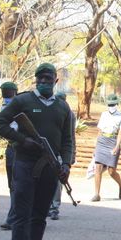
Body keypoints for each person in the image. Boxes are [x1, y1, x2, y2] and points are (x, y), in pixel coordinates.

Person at [0, 63, 73, 240]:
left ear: (56, 81)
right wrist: (22, 140)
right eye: (41, 79)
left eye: (49, 79)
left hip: (49, 167)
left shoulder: (63, 107)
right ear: (36, 80)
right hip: (26, 165)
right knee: (21, 214)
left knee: (39, 216)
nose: (45, 82)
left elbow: (68, 141)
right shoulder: (23, 100)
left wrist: (66, 164)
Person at [91, 94, 121, 202]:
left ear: (117, 104)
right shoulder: (104, 115)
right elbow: (100, 131)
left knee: (111, 171)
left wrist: (117, 146)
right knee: (98, 168)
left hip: (113, 141)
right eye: (110, 104)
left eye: (113, 104)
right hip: (102, 141)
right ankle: (96, 194)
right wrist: (96, 147)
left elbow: (120, 133)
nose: (111, 106)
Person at [47, 91, 76, 220]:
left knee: (58, 182)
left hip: (60, 152)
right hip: (48, 151)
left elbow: (70, 138)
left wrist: (69, 157)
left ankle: (54, 207)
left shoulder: (68, 114)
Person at [0, 81, 18, 230]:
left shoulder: (20, 106)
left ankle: (13, 217)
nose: (5, 95)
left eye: (8, 93)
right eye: (4, 93)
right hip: (11, 148)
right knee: (12, 185)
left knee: (18, 185)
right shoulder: (4, 107)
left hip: (21, 148)